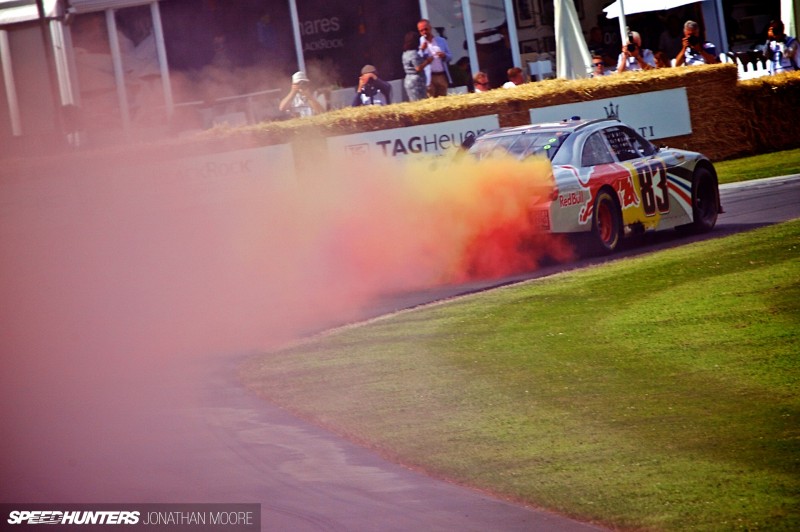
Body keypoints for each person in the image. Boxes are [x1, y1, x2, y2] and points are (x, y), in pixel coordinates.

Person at [417, 18, 452, 97]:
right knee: (431, 100)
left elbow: (450, 57)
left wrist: (444, 55)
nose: (424, 32)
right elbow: (417, 60)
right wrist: (422, 49)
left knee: (443, 100)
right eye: (421, 31)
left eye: (426, 29)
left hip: (441, 76)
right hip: (429, 77)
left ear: (430, 28)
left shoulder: (441, 41)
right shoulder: (420, 42)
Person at [401, 31, 430, 101]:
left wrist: (421, 49)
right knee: (420, 102)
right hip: (416, 82)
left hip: (408, 80)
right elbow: (418, 68)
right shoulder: (414, 53)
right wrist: (428, 61)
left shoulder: (405, 53)